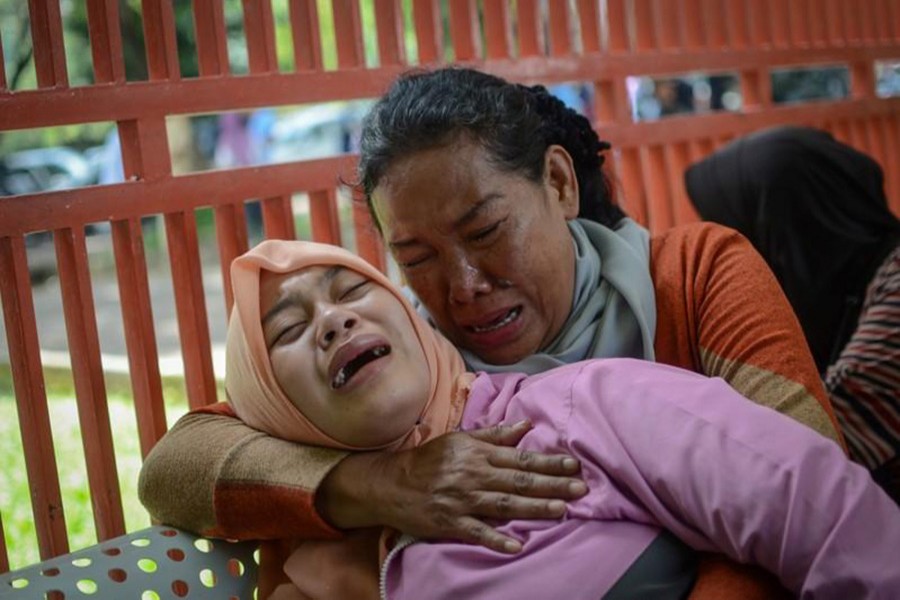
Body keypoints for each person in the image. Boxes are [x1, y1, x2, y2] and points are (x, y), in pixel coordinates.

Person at [139, 68, 843, 598]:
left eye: (487, 231)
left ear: (560, 184)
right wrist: (381, 484)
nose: (465, 285)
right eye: (417, 259)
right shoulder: (410, 371)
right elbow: (177, 467)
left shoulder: (694, 276)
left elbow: (806, 488)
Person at [226, 239, 900, 600]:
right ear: (268, 403)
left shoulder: (578, 407)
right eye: (287, 330)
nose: (333, 320)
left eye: (352, 290)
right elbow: (176, 466)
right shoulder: (302, 568)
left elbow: (822, 514)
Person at [684, 126, 900, 502]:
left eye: (747, 237)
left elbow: (811, 442)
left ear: (792, 221)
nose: (740, 267)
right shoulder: (849, 287)